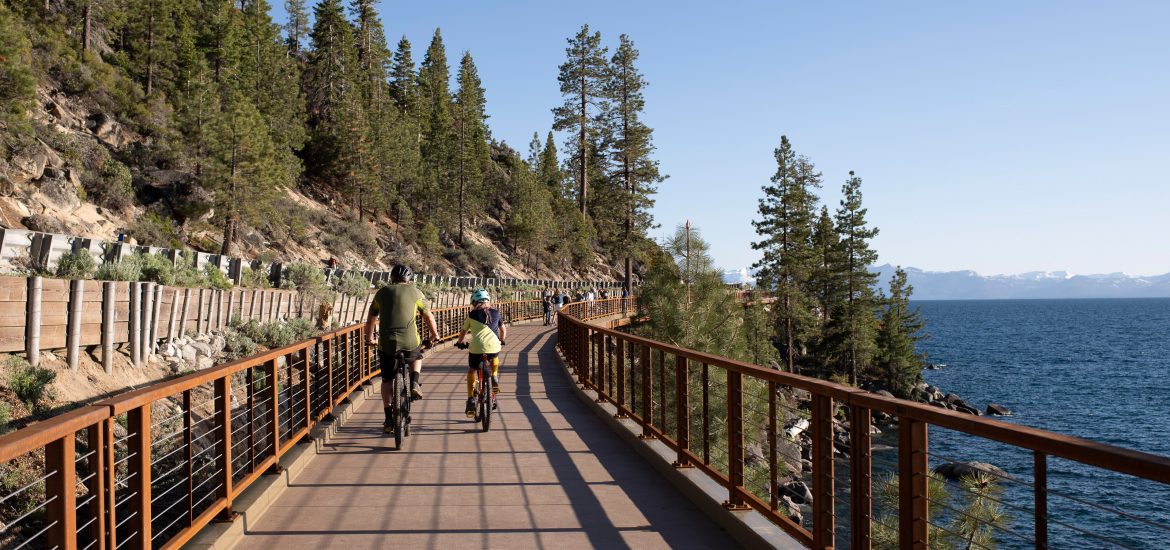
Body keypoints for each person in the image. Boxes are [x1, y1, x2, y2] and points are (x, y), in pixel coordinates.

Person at [364, 264, 440, 433]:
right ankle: (414, 382)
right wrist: (434, 335)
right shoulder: (416, 293)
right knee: (417, 355)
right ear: (409, 279)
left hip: (387, 343)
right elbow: (428, 317)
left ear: (392, 278)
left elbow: (371, 319)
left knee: (386, 380)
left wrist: (369, 338)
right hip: (410, 341)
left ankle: (388, 418)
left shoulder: (381, 293)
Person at [454, 288, 507, 418]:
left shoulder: (471, 314)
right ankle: (494, 376)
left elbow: (463, 332)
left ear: (474, 302)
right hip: (493, 347)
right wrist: (501, 340)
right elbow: (503, 330)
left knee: (471, 370)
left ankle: (471, 399)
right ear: (488, 300)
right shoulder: (496, 312)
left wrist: (460, 342)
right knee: (494, 356)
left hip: (476, 348)